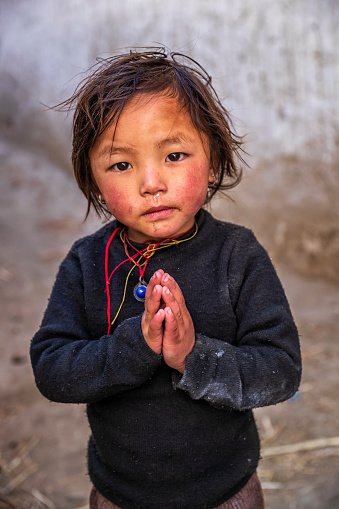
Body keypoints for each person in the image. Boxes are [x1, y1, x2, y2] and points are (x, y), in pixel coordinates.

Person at [30, 48, 301, 509]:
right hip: (119, 495)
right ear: (94, 181)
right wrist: (134, 346)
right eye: (121, 164)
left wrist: (194, 356)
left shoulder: (237, 255)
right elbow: (52, 369)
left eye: (174, 155)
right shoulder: (87, 261)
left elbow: (281, 371)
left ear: (213, 160)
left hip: (227, 492)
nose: (151, 182)